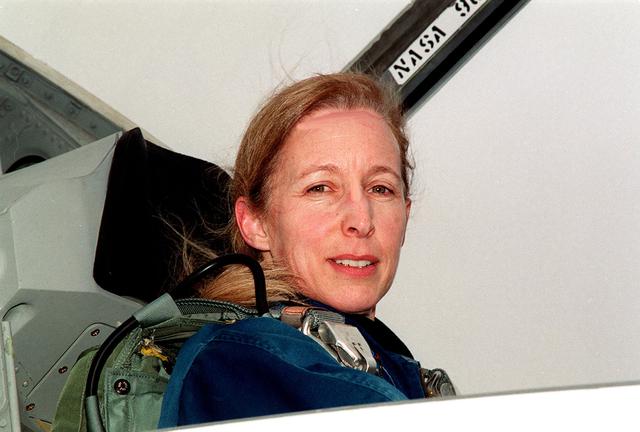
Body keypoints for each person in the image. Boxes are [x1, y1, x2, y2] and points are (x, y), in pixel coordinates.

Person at [158, 72, 452, 427]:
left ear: (404, 215)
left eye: (380, 189)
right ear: (255, 223)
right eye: (320, 188)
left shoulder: (391, 367)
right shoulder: (240, 361)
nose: (361, 219)